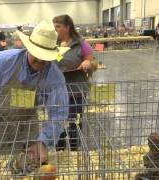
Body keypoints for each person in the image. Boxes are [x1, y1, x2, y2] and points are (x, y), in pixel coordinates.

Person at [0, 21, 70, 165]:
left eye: (43, 59)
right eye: (35, 56)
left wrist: (44, 142)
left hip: (27, 124)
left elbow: (58, 112)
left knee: (27, 163)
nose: (38, 60)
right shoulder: (3, 61)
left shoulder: (54, 77)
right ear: (28, 48)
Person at [52, 14, 98, 151]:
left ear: (67, 27)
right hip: (57, 90)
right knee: (58, 121)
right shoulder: (53, 44)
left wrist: (88, 63)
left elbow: (94, 63)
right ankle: (59, 150)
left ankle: (74, 149)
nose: (55, 30)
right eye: (54, 27)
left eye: (58, 27)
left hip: (76, 90)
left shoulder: (81, 44)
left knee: (74, 122)